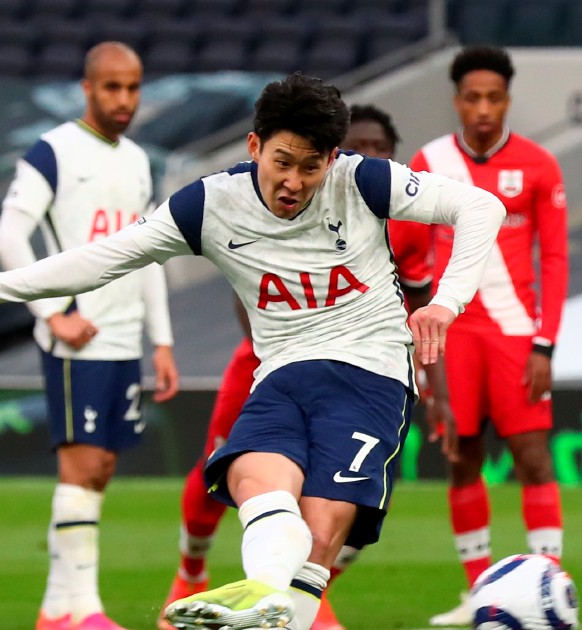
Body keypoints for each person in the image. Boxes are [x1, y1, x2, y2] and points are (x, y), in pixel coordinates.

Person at [0, 72, 505, 630]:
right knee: (255, 480)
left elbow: (482, 208)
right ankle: (264, 599)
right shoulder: (209, 204)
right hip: (281, 373)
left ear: (331, 159)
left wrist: (444, 304)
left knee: (321, 529)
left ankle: (265, 596)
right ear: (254, 146)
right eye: (281, 162)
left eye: (311, 167)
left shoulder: (361, 180)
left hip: (369, 373)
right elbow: (101, 258)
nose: (294, 182)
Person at [155, 103, 455, 630]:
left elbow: (418, 300)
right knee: (223, 463)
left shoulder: (404, 221)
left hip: (366, 369)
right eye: (360, 148)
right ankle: (191, 571)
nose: (371, 159)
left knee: (343, 496)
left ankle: (302, 596)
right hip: (269, 360)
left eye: (381, 150)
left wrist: (437, 388)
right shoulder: (295, 197)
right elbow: (245, 282)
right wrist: (275, 352)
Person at [0, 41, 180, 630]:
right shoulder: (52, 152)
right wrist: (52, 316)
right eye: (112, 87)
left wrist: (163, 339)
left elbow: (149, 251)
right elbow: (8, 238)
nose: (124, 99)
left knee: (99, 470)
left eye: (133, 87)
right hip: (78, 338)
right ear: (88, 88)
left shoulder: (139, 160)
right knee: (81, 467)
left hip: (124, 338)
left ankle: (56, 609)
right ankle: (86, 611)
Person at [406, 46, 570, 627]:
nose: (483, 108)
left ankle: (547, 584)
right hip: (455, 336)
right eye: (472, 97)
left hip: (515, 334)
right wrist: (426, 360)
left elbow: (553, 258)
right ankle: (478, 592)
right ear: (456, 101)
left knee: (532, 458)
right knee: (462, 459)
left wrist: (545, 343)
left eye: (493, 97)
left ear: (507, 100)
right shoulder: (429, 161)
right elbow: (414, 261)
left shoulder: (538, 166)